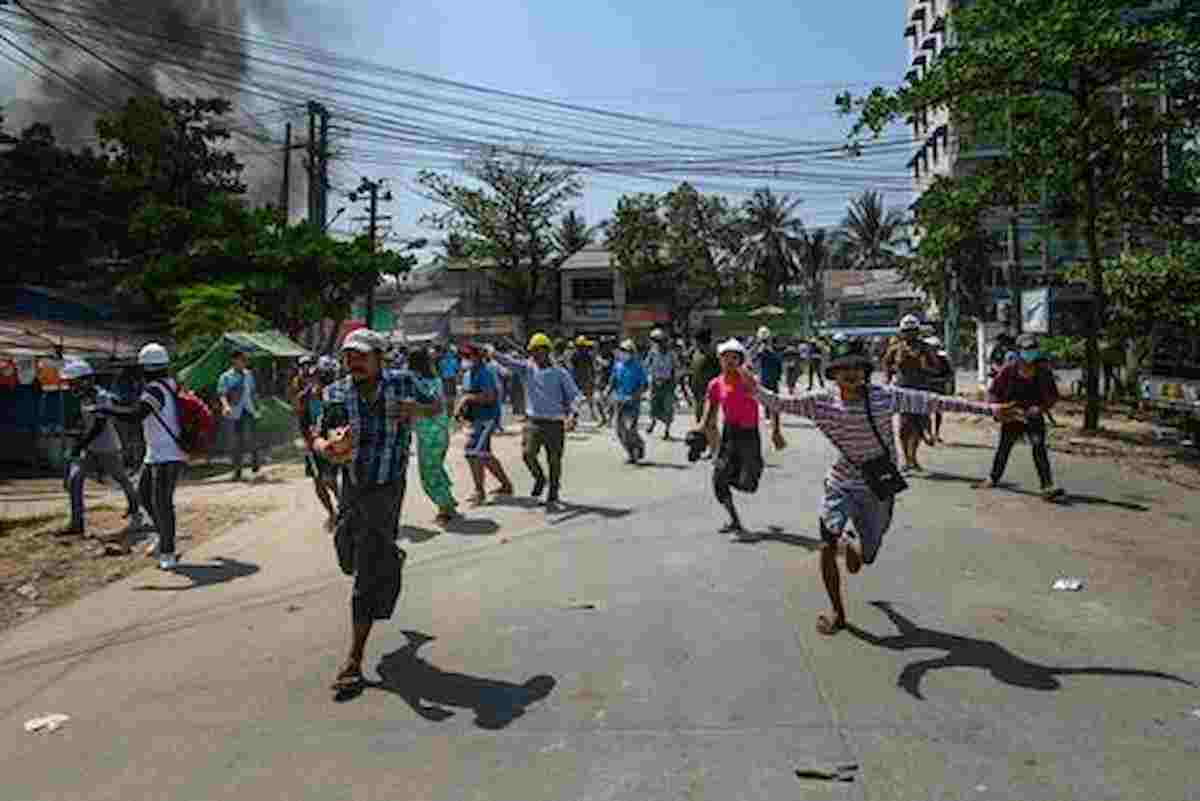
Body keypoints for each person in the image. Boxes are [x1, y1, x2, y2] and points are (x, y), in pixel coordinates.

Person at [747, 338, 1014, 636]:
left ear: (865, 371)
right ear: (833, 373)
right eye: (843, 368)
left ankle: (851, 544)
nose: (851, 373)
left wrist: (990, 411)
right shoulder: (819, 402)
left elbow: (935, 402)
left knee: (868, 557)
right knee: (826, 542)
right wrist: (752, 386)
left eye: (857, 368)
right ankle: (838, 612)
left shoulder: (885, 397)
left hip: (878, 487)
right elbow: (778, 403)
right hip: (841, 482)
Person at [312, 328, 439, 693]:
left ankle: (353, 660)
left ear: (379, 358)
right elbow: (319, 435)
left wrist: (419, 409)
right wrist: (328, 447)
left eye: (361, 356)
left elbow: (437, 405)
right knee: (346, 555)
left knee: (364, 573)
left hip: (387, 487)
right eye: (348, 356)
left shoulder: (402, 383)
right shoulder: (335, 392)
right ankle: (390, 555)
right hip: (352, 485)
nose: (353, 362)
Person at [101, 343, 187, 570]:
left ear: (145, 368)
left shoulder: (154, 389)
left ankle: (168, 551)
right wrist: (115, 404)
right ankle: (163, 537)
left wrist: (108, 410)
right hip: (157, 453)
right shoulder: (168, 384)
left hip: (166, 454)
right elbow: (137, 407)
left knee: (161, 503)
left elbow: (137, 414)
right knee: (145, 497)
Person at [59, 359, 148, 540]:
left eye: (73, 382)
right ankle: (77, 524)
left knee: (121, 478)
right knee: (74, 480)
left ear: (86, 380)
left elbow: (98, 427)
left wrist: (78, 445)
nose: (71, 386)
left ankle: (134, 505)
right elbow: (86, 420)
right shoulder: (84, 398)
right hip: (88, 448)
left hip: (107, 447)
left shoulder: (102, 397)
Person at [493, 333, 581, 510]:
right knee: (527, 454)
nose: (535, 355)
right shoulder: (527, 369)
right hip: (534, 421)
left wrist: (573, 416)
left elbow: (574, 396)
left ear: (547, 351)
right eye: (532, 352)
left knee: (554, 460)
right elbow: (509, 362)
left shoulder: (560, 373)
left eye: (538, 351)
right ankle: (540, 478)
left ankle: (553, 491)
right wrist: (493, 353)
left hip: (555, 423)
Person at [700, 339, 774, 540]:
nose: (729, 361)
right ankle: (735, 521)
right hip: (729, 434)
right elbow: (708, 416)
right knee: (718, 480)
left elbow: (772, 401)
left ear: (741, 360)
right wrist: (701, 434)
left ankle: (747, 469)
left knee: (748, 485)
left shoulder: (748, 380)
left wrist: (776, 431)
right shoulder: (715, 384)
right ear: (720, 360)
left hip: (749, 435)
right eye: (725, 357)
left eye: (734, 357)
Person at [982, 334, 1064, 499]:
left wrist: (1040, 408)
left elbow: (1053, 396)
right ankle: (993, 478)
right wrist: (997, 408)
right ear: (1018, 351)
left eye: (1032, 349)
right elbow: (993, 392)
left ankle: (1047, 486)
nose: (1029, 353)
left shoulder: (1043, 372)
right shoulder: (1009, 370)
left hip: (1034, 416)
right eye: (1026, 349)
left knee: (1039, 448)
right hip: (1013, 415)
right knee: (1004, 447)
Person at [455, 343, 514, 505]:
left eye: (468, 356)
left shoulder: (486, 372)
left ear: (478, 356)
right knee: (485, 455)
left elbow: (490, 397)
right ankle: (506, 485)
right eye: (463, 356)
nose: (465, 359)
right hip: (475, 419)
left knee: (471, 452)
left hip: (487, 418)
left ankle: (479, 491)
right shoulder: (468, 374)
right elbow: (467, 395)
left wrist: (468, 399)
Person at [405, 349, 459, 524]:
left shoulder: (414, 380)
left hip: (429, 434)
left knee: (429, 475)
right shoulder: (435, 380)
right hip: (441, 431)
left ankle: (446, 507)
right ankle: (448, 499)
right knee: (437, 468)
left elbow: (426, 405)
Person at [881, 315, 940, 473]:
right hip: (902, 390)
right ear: (902, 332)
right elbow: (886, 364)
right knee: (904, 426)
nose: (910, 334)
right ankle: (907, 459)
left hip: (921, 389)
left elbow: (937, 369)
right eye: (906, 331)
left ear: (917, 331)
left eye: (913, 331)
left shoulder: (926, 348)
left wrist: (925, 367)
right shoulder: (895, 348)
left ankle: (913, 456)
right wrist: (887, 379)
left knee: (919, 424)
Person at [294, 356, 341, 531]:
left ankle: (344, 507)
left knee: (330, 479)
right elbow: (301, 420)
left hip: (332, 442)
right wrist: (307, 440)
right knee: (318, 481)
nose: (315, 381)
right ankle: (332, 513)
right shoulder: (304, 396)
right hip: (313, 444)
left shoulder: (335, 395)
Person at [217, 349, 261, 482]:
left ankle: (255, 459)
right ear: (234, 360)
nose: (244, 362)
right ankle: (237, 471)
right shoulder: (226, 377)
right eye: (241, 360)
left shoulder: (249, 375)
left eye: (245, 360)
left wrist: (257, 407)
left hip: (249, 410)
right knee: (236, 442)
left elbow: (253, 392)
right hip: (235, 413)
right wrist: (226, 406)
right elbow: (222, 394)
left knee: (251, 438)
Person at [607, 338, 648, 464]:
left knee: (630, 429)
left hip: (632, 402)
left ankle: (639, 445)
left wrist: (636, 395)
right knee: (620, 431)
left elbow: (643, 384)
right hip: (619, 400)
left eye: (626, 351)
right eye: (622, 350)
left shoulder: (637, 367)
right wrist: (608, 391)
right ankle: (630, 453)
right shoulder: (618, 365)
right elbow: (613, 380)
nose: (624, 353)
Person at [645, 328, 678, 440]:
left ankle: (667, 431)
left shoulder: (671, 354)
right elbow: (646, 366)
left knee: (668, 408)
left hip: (667, 383)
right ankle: (653, 423)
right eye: (656, 341)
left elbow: (675, 369)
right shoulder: (652, 352)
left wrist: (674, 384)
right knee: (653, 406)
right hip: (655, 382)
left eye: (661, 341)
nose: (659, 343)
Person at [924, 336, 955, 444]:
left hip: (939, 389)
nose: (933, 350)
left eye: (935, 347)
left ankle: (936, 433)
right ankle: (929, 433)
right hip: (927, 389)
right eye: (931, 348)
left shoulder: (943, 359)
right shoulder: (923, 359)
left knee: (938, 412)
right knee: (926, 412)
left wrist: (943, 382)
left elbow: (950, 375)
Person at [570, 336, 607, 425]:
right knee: (583, 400)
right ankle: (596, 416)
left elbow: (591, 368)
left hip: (583, 380)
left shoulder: (580, 355)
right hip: (583, 380)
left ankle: (597, 416)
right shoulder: (580, 355)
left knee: (584, 400)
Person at [689, 330, 722, 427]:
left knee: (709, 418)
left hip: (709, 391)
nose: (694, 343)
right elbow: (692, 370)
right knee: (699, 416)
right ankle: (703, 437)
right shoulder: (695, 353)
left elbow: (719, 372)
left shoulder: (713, 355)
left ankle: (709, 438)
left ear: (700, 341)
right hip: (697, 390)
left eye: (695, 341)